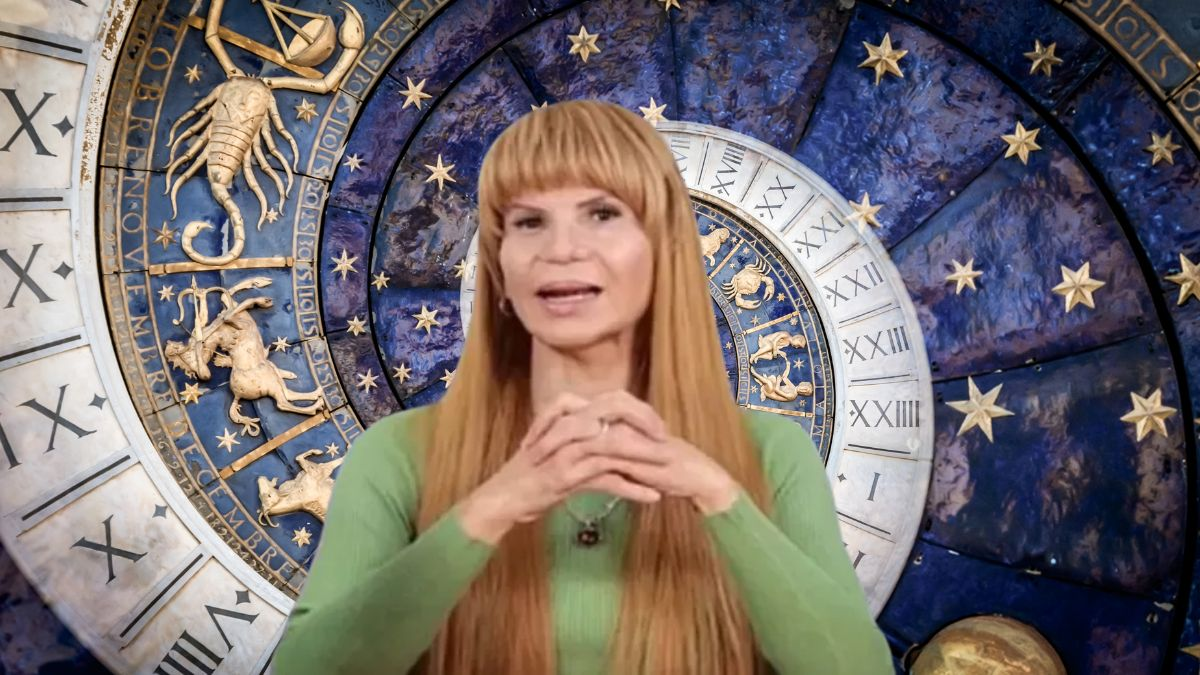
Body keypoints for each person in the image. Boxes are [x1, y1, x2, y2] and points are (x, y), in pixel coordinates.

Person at [271, 99, 893, 674]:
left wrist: (717, 495)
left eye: (602, 214)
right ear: (499, 269)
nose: (562, 249)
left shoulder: (772, 453)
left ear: (664, 251)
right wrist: (488, 510)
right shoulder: (397, 455)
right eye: (530, 222)